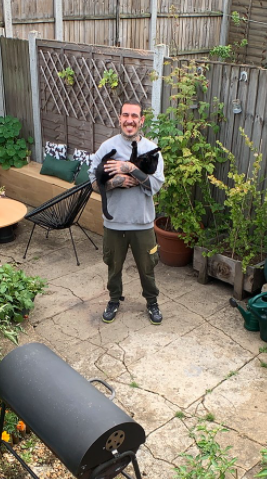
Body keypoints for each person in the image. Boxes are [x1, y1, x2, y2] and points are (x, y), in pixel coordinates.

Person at [89, 99, 166, 325]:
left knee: (148, 268)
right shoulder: (106, 148)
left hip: (142, 223)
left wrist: (131, 168)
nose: (129, 120)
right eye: (125, 115)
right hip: (115, 223)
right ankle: (114, 300)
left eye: (134, 116)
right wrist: (115, 182)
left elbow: (156, 186)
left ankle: (152, 302)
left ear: (141, 120)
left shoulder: (151, 150)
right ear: (119, 118)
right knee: (113, 267)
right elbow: (94, 184)